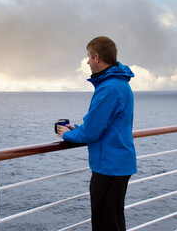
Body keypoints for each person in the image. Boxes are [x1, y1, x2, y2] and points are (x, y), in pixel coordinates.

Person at [57, 36, 137, 231]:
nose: (87, 62)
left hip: (109, 167)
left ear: (97, 57)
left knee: (105, 225)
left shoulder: (109, 88)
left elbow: (92, 132)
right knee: (114, 222)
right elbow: (104, 124)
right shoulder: (119, 84)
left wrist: (66, 135)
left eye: (89, 57)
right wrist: (78, 128)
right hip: (118, 164)